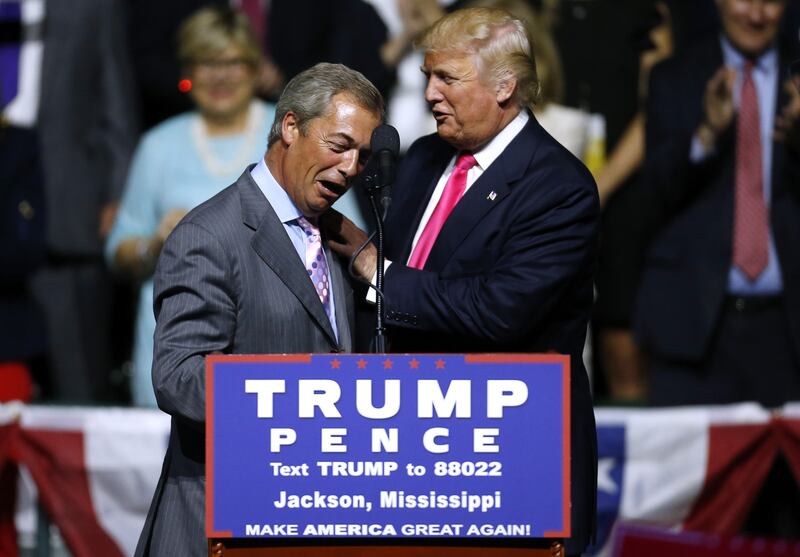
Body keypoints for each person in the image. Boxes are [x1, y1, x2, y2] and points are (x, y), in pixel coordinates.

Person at [328, 8, 599, 555]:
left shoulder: (559, 187)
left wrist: (373, 269)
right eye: (427, 75)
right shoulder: (424, 156)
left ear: (505, 86)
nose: (429, 94)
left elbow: (497, 312)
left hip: (513, 466)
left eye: (446, 78)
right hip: (414, 461)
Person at [134, 63, 382, 557]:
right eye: (339, 145)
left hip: (305, 521)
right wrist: (303, 396)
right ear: (290, 127)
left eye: (363, 156)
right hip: (222, 522)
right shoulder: (210, 235)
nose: (352, 168)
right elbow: (180, 376)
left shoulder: (332, 235)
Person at [106, 6, 276, 407]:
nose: (220, 75)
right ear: (188, 71)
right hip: (173, 355)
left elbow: (343, 241)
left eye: (232, 61)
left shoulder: (287, 136)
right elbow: (118, 251)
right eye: (206, 62)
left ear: (254, 67)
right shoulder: (157, 145)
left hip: (268, 357)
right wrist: (155, 243)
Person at [635, 0, 800, 406]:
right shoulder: (675, 75)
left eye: (771, 1)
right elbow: (653, 193)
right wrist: (706, 135)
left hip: (788, 331)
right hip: (693, 327)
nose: (757, 14)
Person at [4, 0, 139, 402]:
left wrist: (118, 195)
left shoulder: (90, 7)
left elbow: (117, 103)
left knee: (76, 377)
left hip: (65, 210)